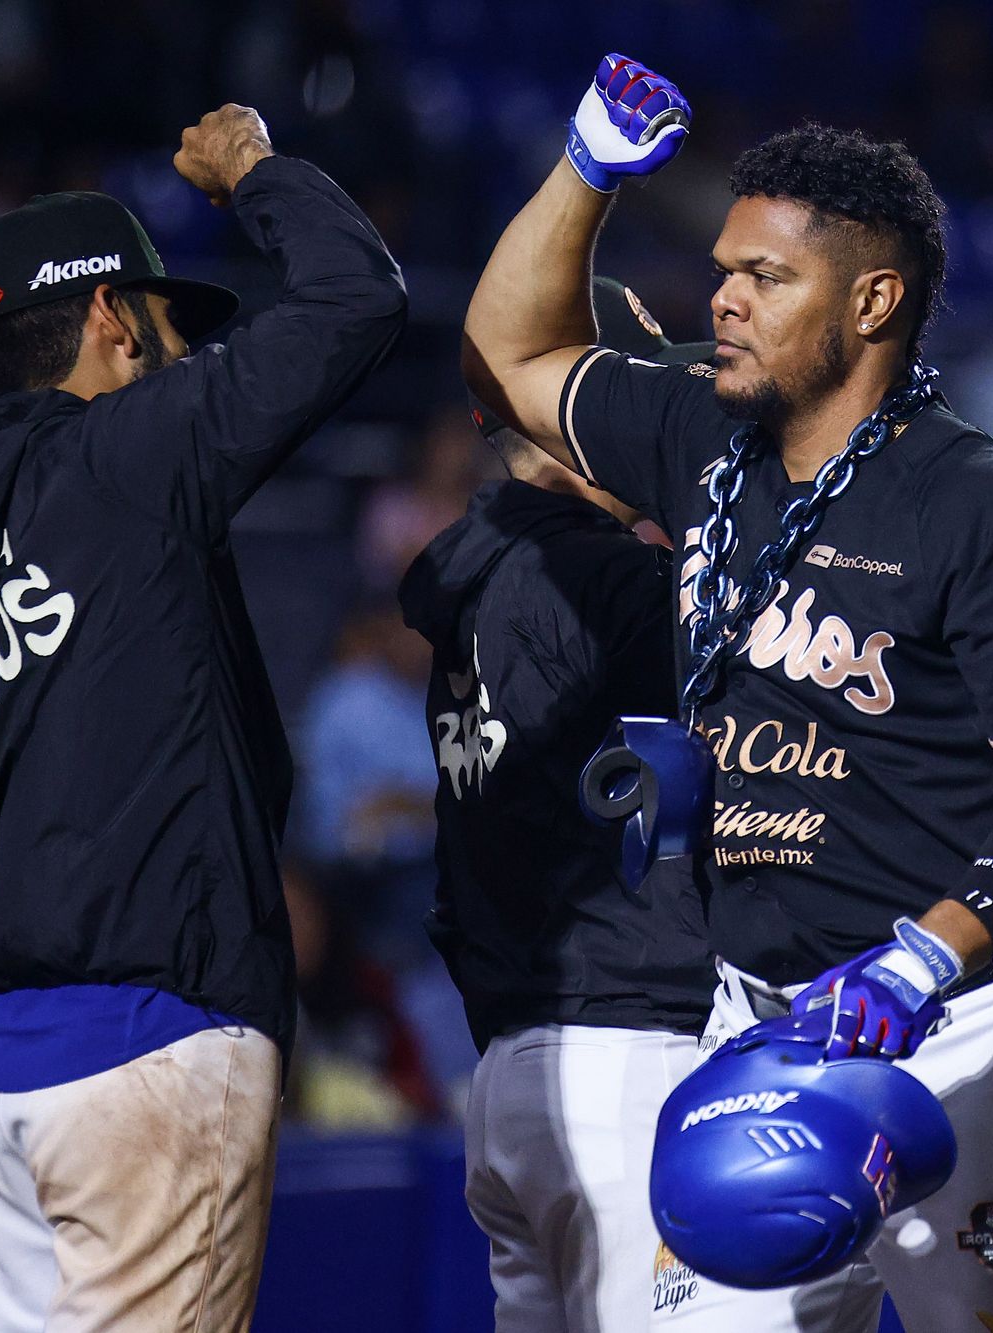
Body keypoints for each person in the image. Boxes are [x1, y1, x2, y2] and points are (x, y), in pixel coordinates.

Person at [463, 55, 993, 1332]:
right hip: (758, 1026)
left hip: (961, 1027)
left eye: (764, 278)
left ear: (872, 299)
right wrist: (589, 167)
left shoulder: (982, 505)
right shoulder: (694, 438)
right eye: (721, 269)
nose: (720, 300)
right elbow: (509, 352)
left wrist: (924, 954)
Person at [0, 104, 405, 1332]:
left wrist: (16, 1035)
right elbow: (354, 300)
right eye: (162, 325)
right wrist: (255, 172)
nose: (172, 353)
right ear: (109, 317)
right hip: (152, 1042)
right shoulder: (123, 457)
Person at [402, 276, 716, 1330]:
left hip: (516, 1072)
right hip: (625, 1061)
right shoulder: (577, 573)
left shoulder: (477, 586)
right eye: (627, 408)